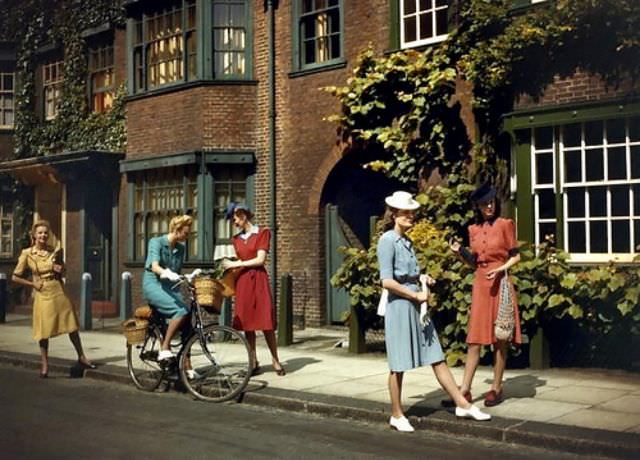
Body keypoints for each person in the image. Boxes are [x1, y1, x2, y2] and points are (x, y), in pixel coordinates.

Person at [378, 191, 491, 432]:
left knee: (436, 355)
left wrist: (422, 277)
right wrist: (415, 294)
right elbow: (386, 281)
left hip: (417, 305)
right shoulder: (387, 241)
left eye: (412, 213)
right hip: (399, 307)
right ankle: (396, 414)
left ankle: (462, 404)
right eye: (406, 213)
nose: (411, 217)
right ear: (395, 215)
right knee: (398, 364)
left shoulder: (406, 242)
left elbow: (406, 274)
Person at [449, 182, 522, 407]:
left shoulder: (505, 225)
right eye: (484, 204)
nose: (488, 207)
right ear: (478, 207)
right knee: (474, 340)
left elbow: (516, 256)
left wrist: (501, 269)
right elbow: (474, 262)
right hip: (481, 285)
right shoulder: (473, 229)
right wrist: (459, 253)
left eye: (491, 202)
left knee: (500, 339)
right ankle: (465, 390)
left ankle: (496, 388)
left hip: (500, 284)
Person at [12, 220, 96, 378]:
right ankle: (45, 364)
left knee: (71, 325)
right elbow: (15, 277)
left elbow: (64, 270)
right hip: (43, 294)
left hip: (58, 290)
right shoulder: (27, 254)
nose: (43, 235)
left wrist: (61, 269)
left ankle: (81, 356)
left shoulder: (53, 251)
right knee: (44, 331)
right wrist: (32, 283)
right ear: (34, 235)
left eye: (45, 232)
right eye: (40, 233)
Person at [221, 203, 285, 376]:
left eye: (234, 218)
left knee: (266, 322)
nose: (233, 223)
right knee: (248, 323)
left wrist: (237, 263)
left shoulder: (263, 233)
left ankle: (275, 359)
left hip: (258, 280)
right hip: (243, 282)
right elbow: (239, 259)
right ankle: (253, 361)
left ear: (242, 215)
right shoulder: (236, 239)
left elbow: (260, 259)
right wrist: (228, 267)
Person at [142, 214, 193, 364]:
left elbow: (176, 272)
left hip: (169, 287)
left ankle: (186, 365)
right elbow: (155, 266)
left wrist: (187, 278)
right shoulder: (156, 242)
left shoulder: (181, 248)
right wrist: (166, 273)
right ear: (177, 230)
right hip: (153, 284)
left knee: (188, 321)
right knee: (180, 311)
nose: (187, 236)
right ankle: (165, 347)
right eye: (185, 233)